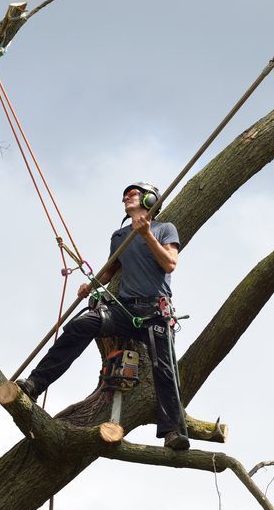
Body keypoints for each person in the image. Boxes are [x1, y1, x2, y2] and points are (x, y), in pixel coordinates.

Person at [16, 182, 190, 450]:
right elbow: (110, 272)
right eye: (124, 196)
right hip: (125, 308)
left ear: (149, 200)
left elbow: (169, 263)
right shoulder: (119, 236)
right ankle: (35, 384)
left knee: (164, 368)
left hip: (155, 311)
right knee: (81, 325)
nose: (126, 198)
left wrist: (146, 235)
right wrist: (92, 284)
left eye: (132, 194)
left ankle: (172, 432)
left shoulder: (164, 229)